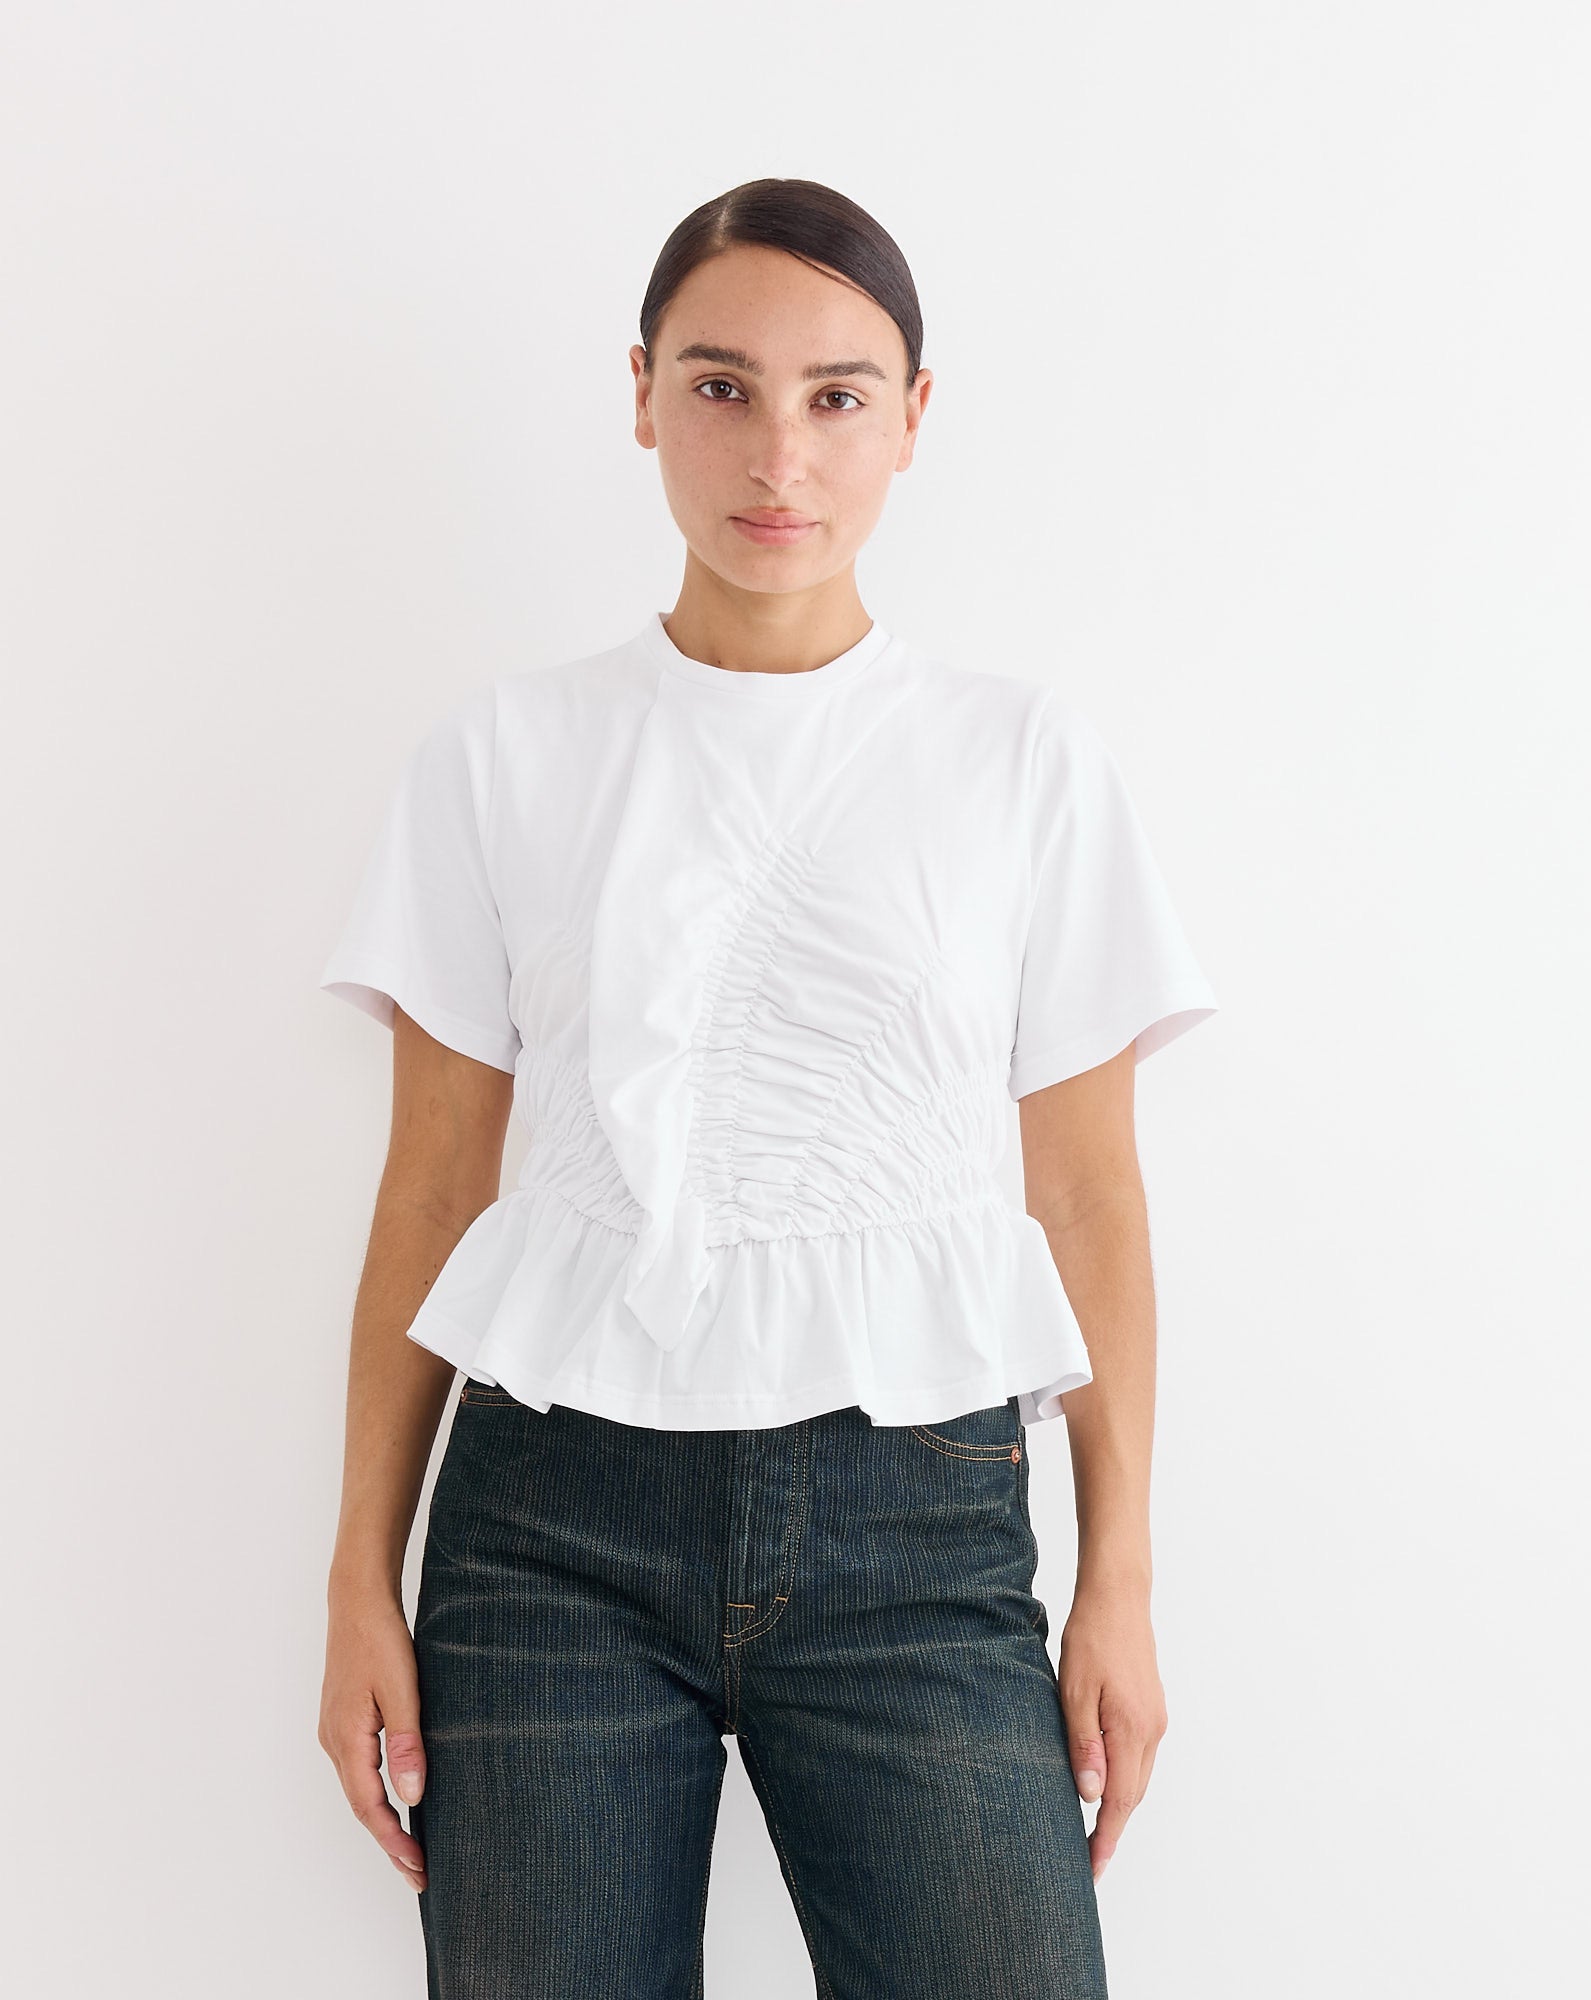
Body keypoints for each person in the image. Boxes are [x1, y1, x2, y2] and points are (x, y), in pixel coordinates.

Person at [316, 176, 1219, 2000]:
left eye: (839, 396)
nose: (779, 456)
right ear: (642, 391)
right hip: (546, 1531)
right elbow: (431, 1186)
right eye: (723, 387)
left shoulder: (1019, 760)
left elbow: (1091, 1193)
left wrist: (1114, 1572)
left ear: (913, 417)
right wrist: (357, 1572)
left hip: (921, 1523)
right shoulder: (505, 755)